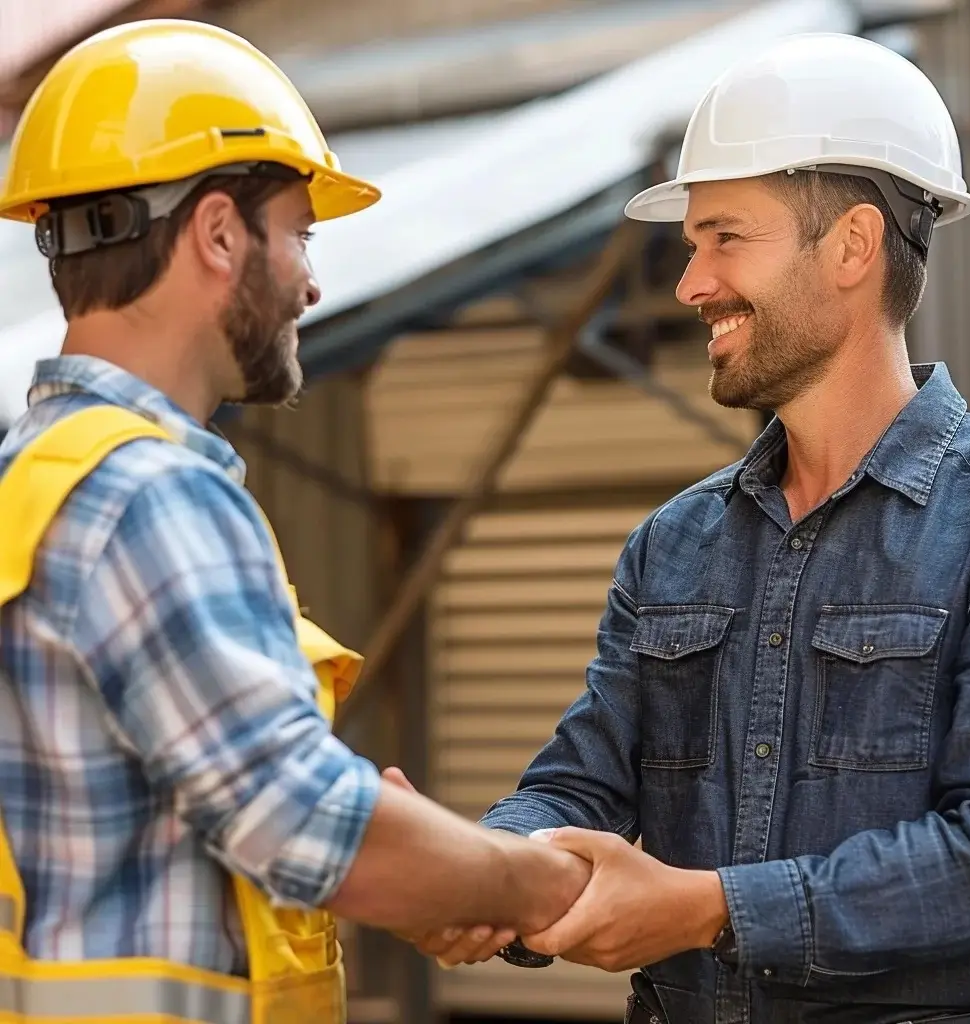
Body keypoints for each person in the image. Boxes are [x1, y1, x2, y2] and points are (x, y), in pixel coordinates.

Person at [409, 31, 970, 1024]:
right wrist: (478, 870)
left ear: (852, 246)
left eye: (724, 237)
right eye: (691, 243)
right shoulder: (674, 544)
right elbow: (582, 780)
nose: (690, 282)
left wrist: (706, 909)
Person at [0, 19, 588, 1024]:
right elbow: (312, 826)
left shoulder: (29, 481)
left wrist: (425, 862)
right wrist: (544, 887)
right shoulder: (147, 492)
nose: (313, 283)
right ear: (219, 232)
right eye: (300, 233)